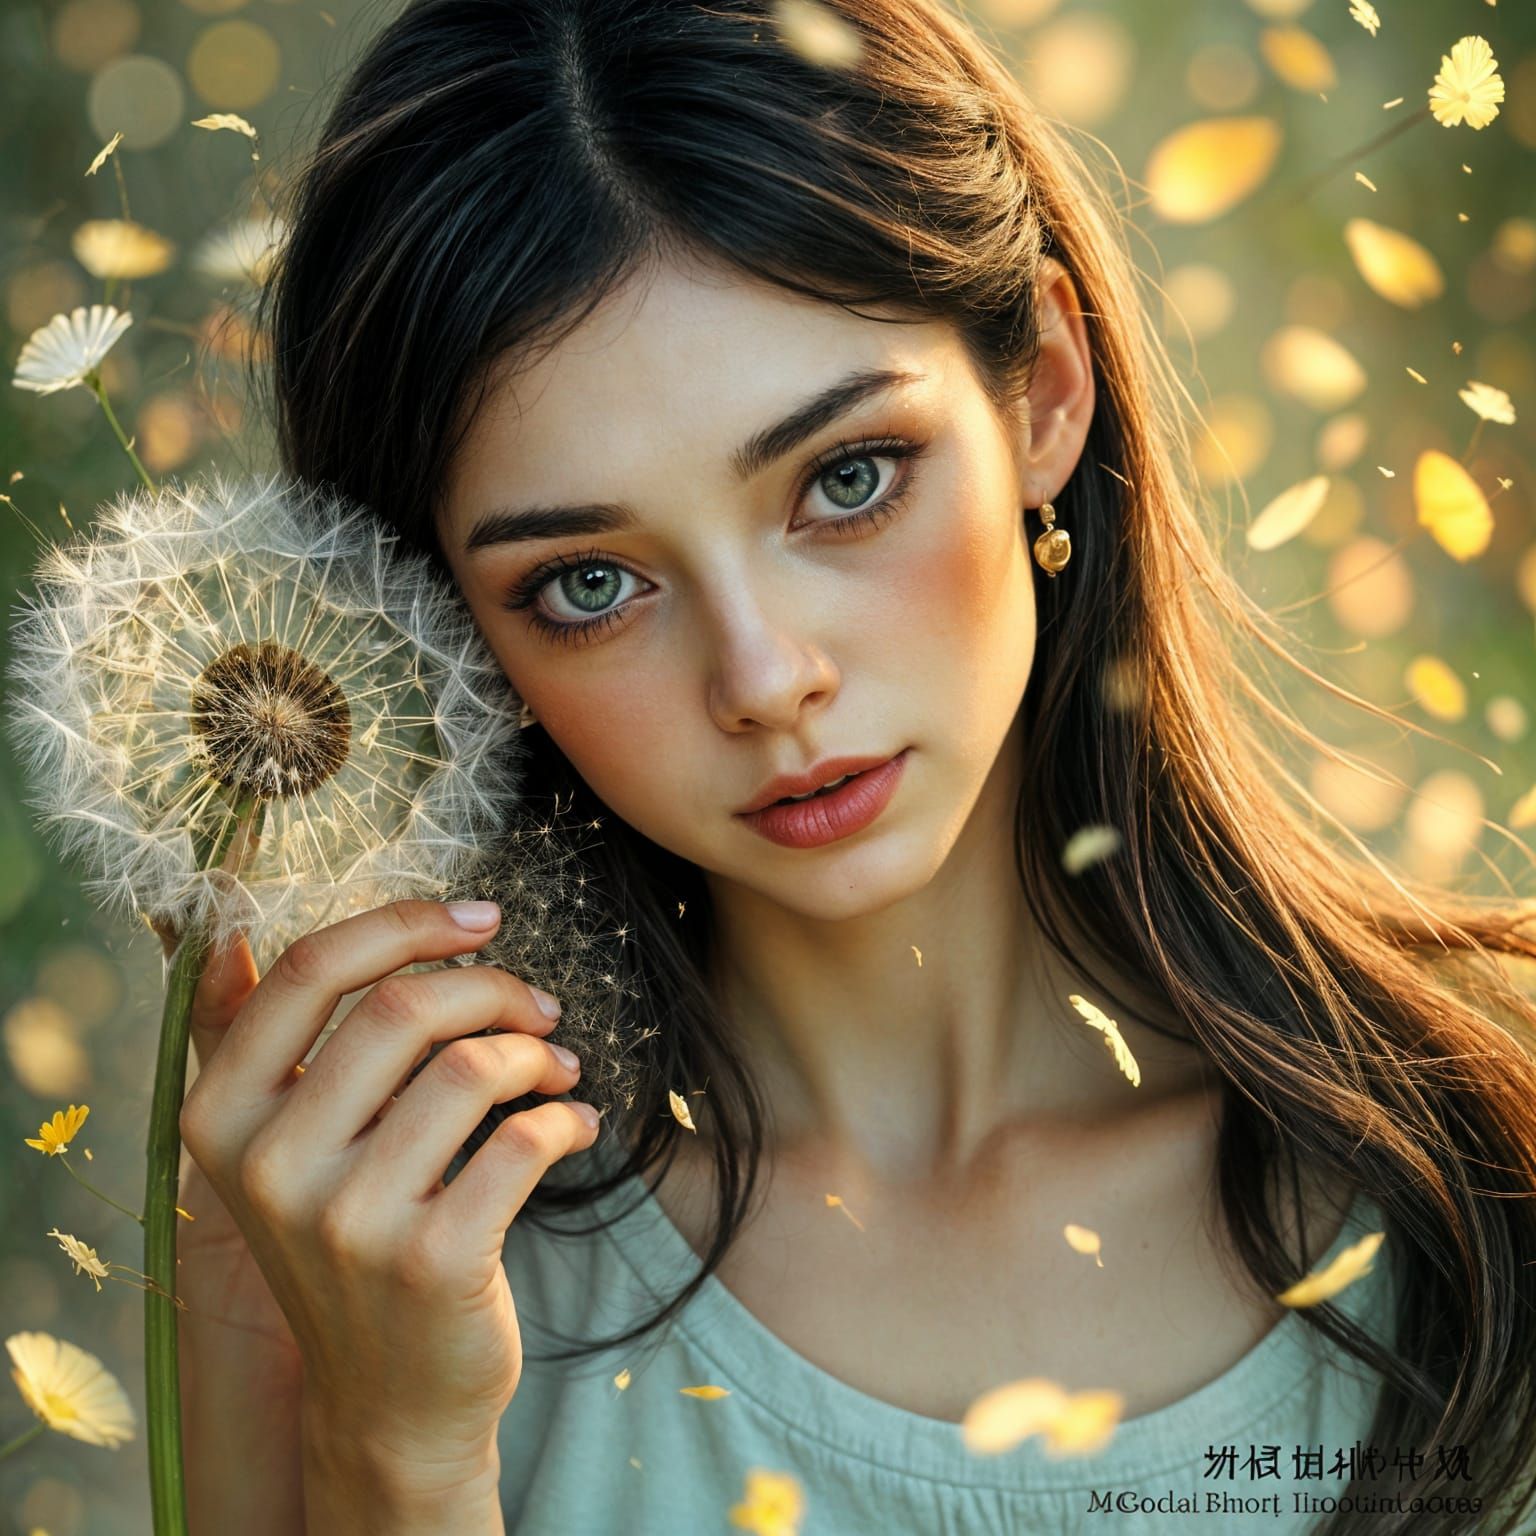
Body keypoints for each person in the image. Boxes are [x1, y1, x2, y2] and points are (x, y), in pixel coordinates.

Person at [172, 0, 1536, 1531]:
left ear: (1044, 395)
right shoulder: (392, 1274)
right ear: (447, 634)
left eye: (847, 479)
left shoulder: (1488, 1168)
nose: (765, 681)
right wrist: (395, 1455)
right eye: (590, 583)